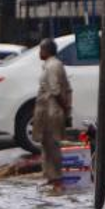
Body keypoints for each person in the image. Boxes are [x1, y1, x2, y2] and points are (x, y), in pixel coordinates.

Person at [34, 38, 71, 190]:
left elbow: (56, 90)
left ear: (47, 51)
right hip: (46, 111)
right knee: (46, 145)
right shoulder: (49, 65)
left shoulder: (53, 66)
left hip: (52, 111)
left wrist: (65, 108)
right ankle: (50, 177)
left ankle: (57, 179)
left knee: (52, 145)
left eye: (41, 49)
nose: (39, 52)